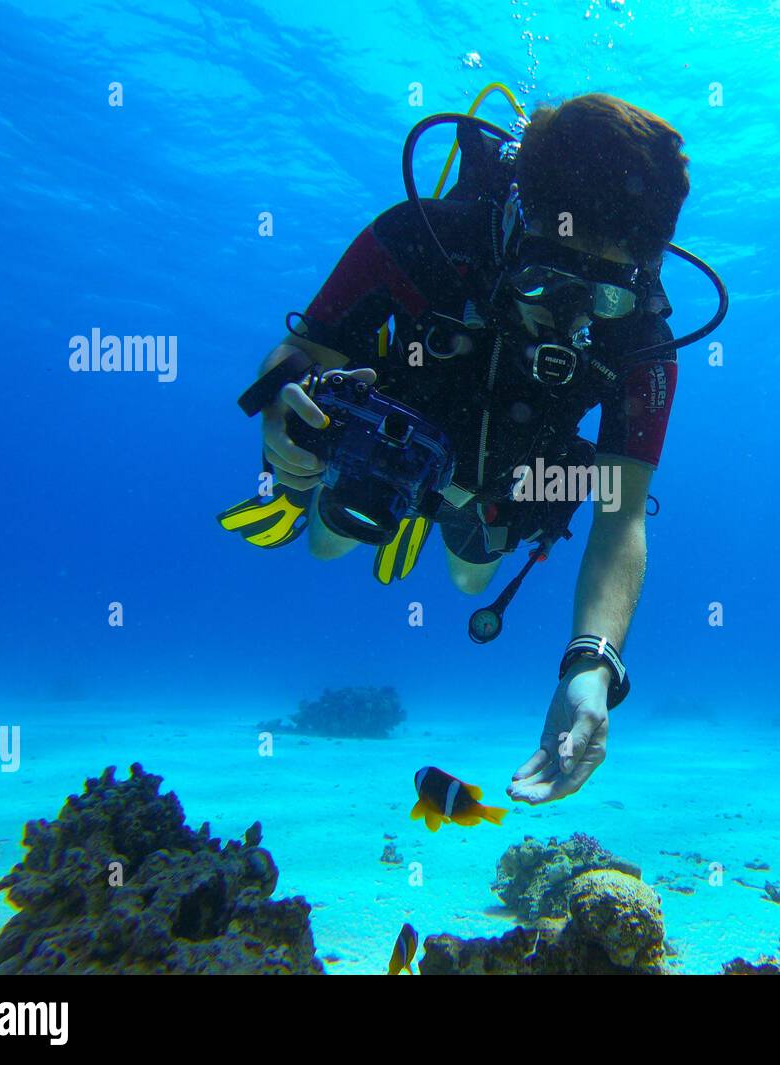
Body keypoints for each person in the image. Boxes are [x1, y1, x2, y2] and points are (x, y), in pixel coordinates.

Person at [244, 93, 692, 804]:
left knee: (468, 582)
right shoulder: (419, 237)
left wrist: (591, 667)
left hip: (501, 489)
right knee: (327, 544)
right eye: (547, 275)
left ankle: (436, 514)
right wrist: (282, 411)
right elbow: (302, 349)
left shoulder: (642, 339)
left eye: (602, 294)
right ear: (518, 211)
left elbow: (621, 516)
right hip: (391, 445)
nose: (565, 316)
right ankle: (324, 498)